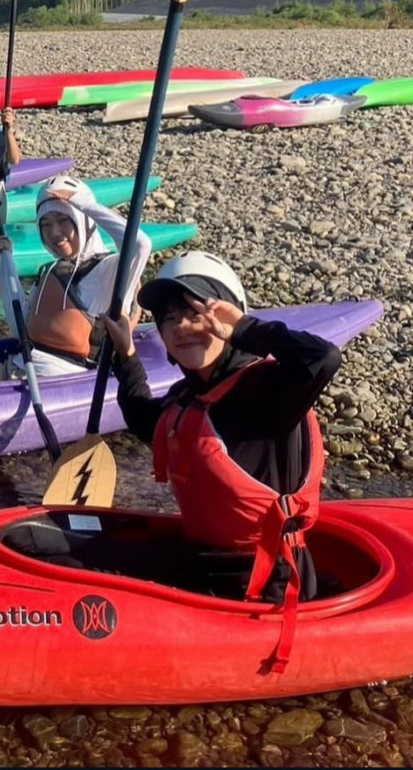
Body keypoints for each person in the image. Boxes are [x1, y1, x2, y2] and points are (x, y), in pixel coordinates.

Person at [101, 251, 341, 608]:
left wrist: (245, 329)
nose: (181, 326)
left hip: (264, 584)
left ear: (225, 316)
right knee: (73, 548)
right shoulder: (188, 397)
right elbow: (142, 419)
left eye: (196, 314)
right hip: (206, 563)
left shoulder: (266, 391)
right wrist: (127, 355)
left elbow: (323, 359)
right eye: (169, 319)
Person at [0, 175, 150, 382]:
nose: (55, 233)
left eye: (63, 220)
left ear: (84, 221)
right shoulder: (51, 270)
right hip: (15, 368)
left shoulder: (109, 271)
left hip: (57, 384)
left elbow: (140, 245)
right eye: (46, 224)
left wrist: (86, 206)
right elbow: (21, 329)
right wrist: (5, 267)